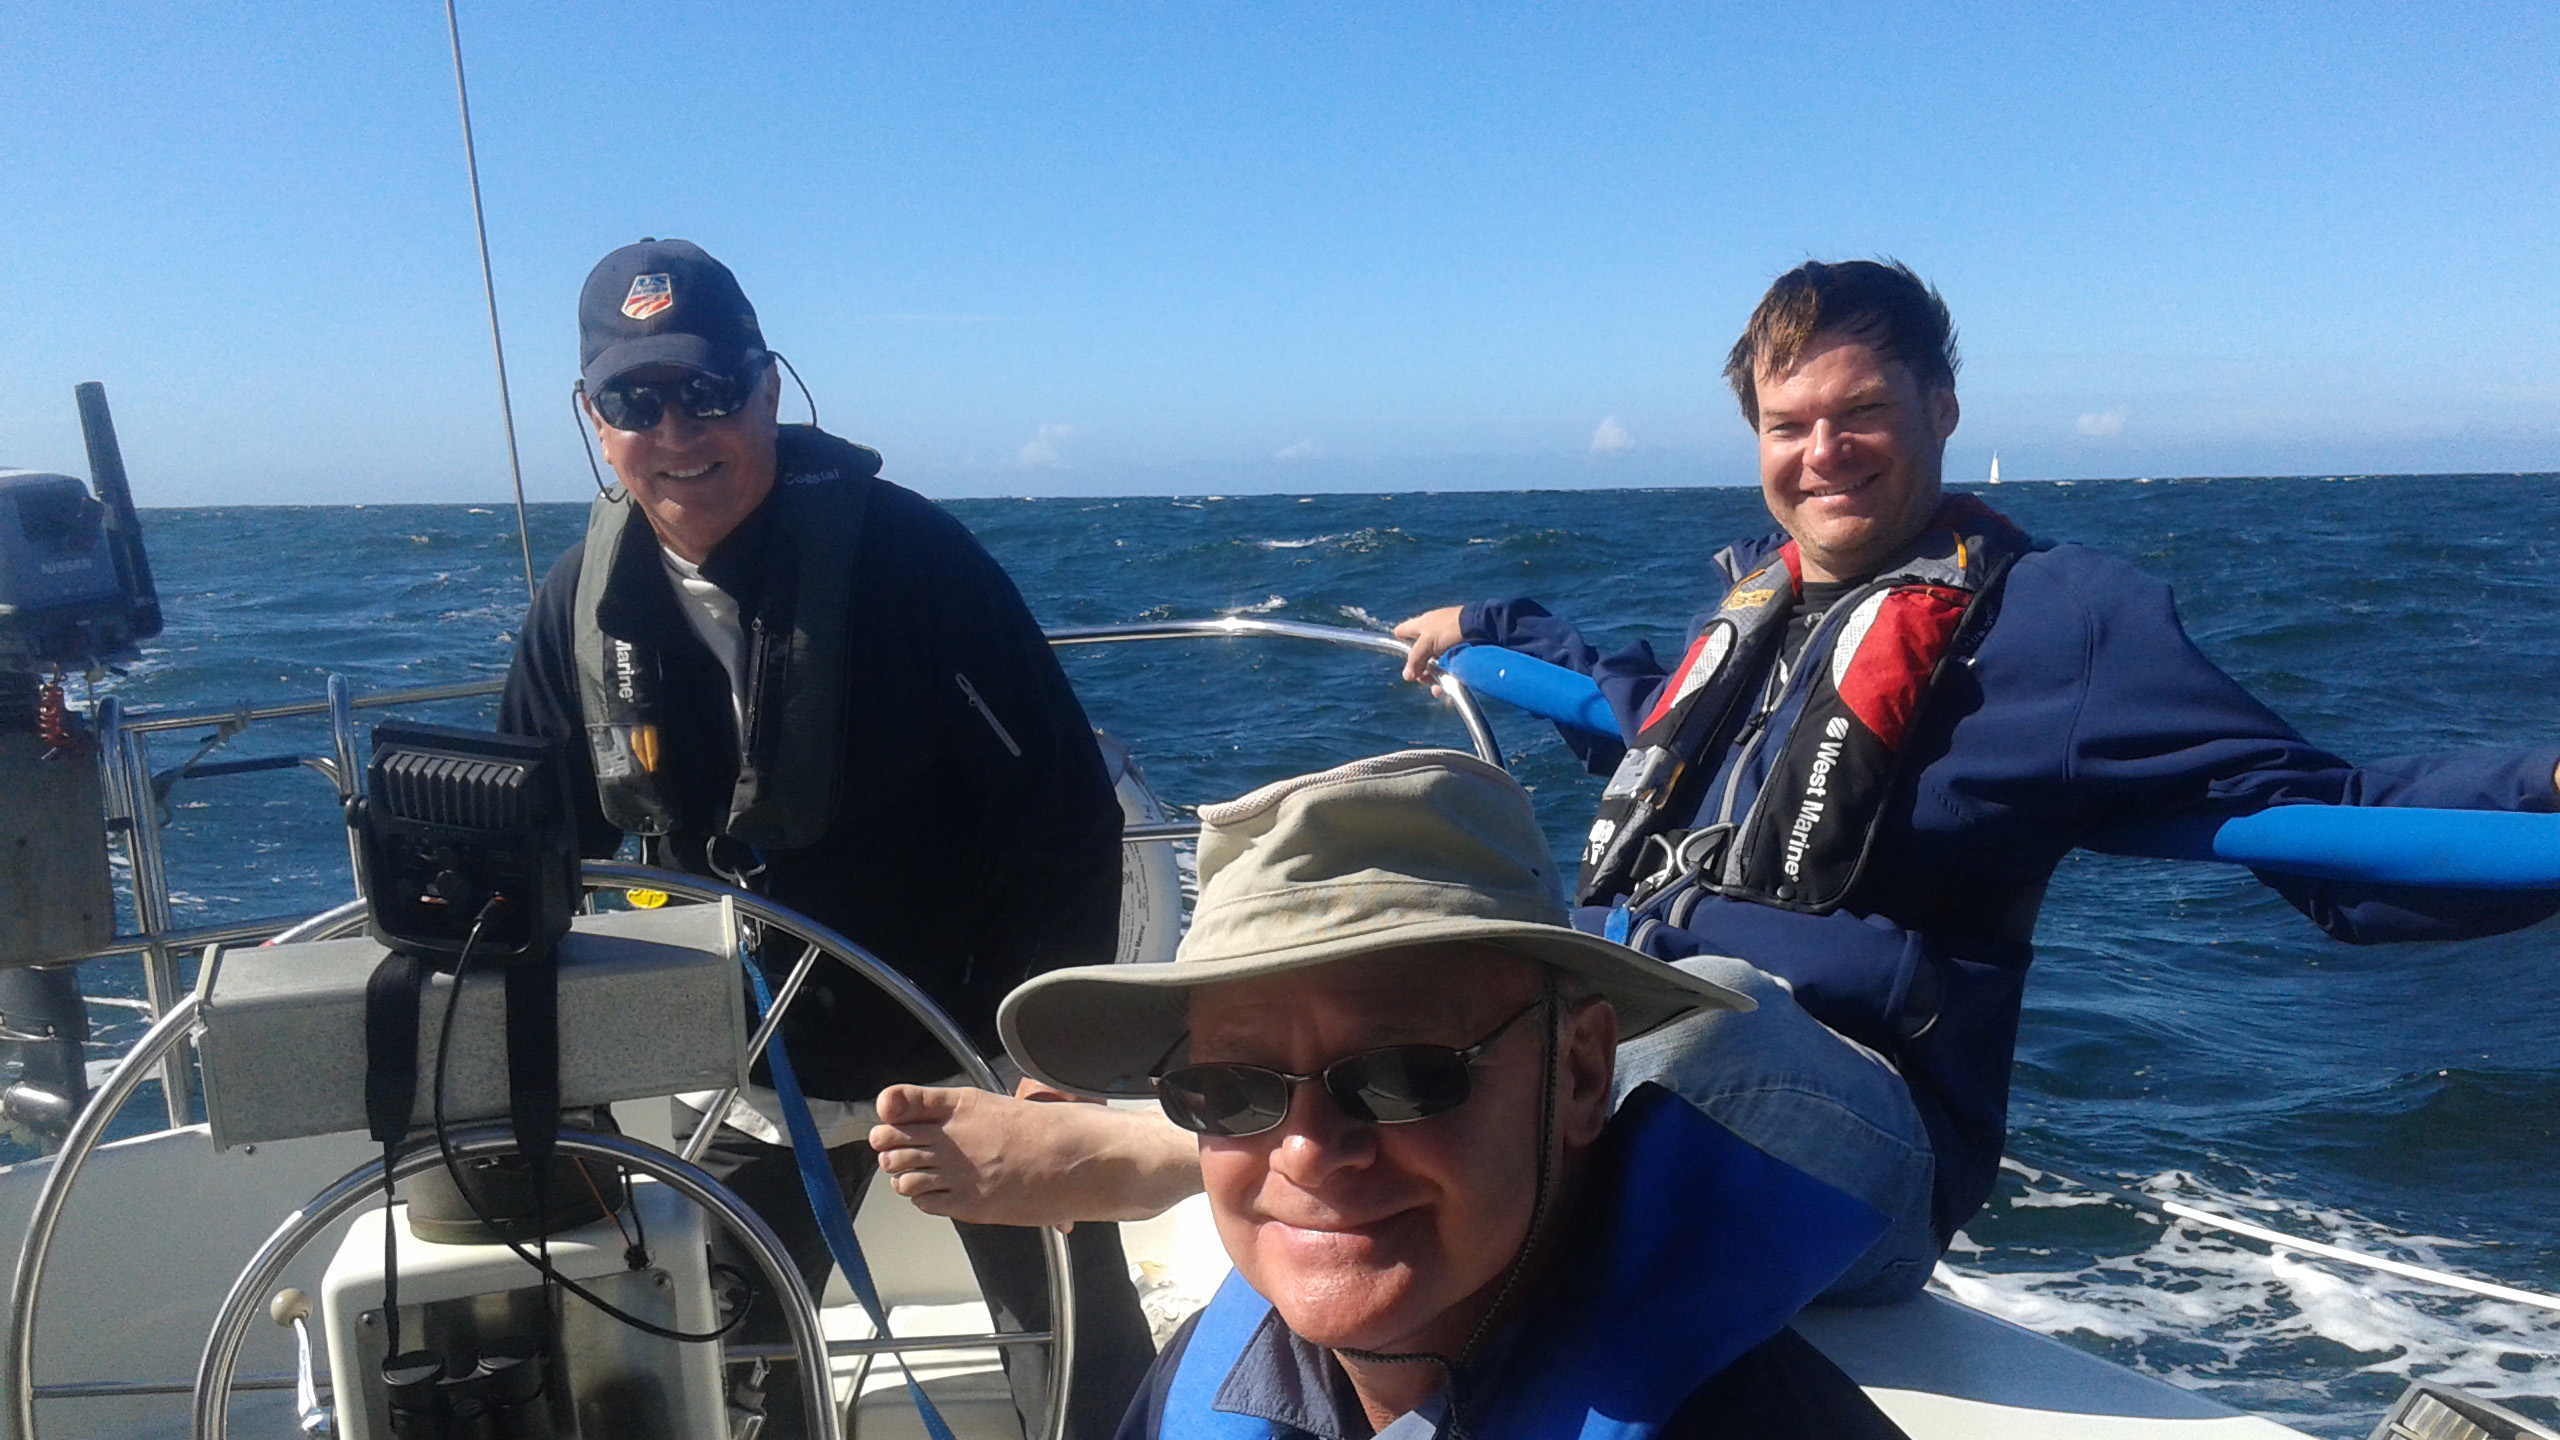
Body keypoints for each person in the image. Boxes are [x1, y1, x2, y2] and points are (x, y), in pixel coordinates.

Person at [1389, 259, 2560, 1303]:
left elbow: (2316, 814)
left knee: (1698, 1042)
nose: (1822, 453)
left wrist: (2542, 787)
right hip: (1623, 1049)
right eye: (1788, 424)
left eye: (1861, 413)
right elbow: (1645, 719)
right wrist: (1487, 626)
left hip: (1851, 1132)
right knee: (1374, 1000)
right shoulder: (1760, 603)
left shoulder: (2065, 623)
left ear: (1939, 411)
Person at [498, 237, 1154, 1438]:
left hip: (965, 1043)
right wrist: (557, 1090)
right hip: (750, 1069)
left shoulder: (915, 566)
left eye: (705, 391)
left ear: (766, 389)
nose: (676, 429)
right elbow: (535, 849)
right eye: (633, 400)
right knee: (740, 1365)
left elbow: (1061, 814)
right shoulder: (576, 612)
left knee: (1077, 1354)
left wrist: (1044, 1064)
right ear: (594, 422)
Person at [995, 749, 1910, 1439]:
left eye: (1400, 1074)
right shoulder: (1200, 1373)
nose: (1308, 1150)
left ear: (1582, 1073)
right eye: (1229, 1092)